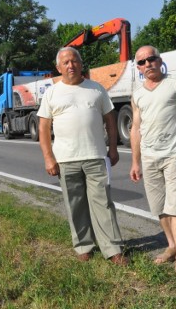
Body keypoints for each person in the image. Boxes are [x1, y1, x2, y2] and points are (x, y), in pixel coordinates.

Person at [38, 47, 128, 266]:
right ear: (59, 68)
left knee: (103, 204)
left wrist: (113, 149)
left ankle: (113, 249)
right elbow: (43, 129)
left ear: (81, 63)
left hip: (96, 156)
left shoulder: (96, 89)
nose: (71, 65)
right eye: (66, 63)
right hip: (66, 160)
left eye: (74, 61)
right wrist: (49, 158)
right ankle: (84, 246)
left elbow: (110, 120)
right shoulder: (51, 93)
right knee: (75, 204)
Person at [129, 45, 176, 279]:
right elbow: (136, 128)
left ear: (159, 60)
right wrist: (135, 161)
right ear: (137, 67)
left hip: (174, 154)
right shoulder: (137, 94)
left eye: (151, 59)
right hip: (149, 157)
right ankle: (171, 246)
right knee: (159, 207)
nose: (147, 64)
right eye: (141, 62)